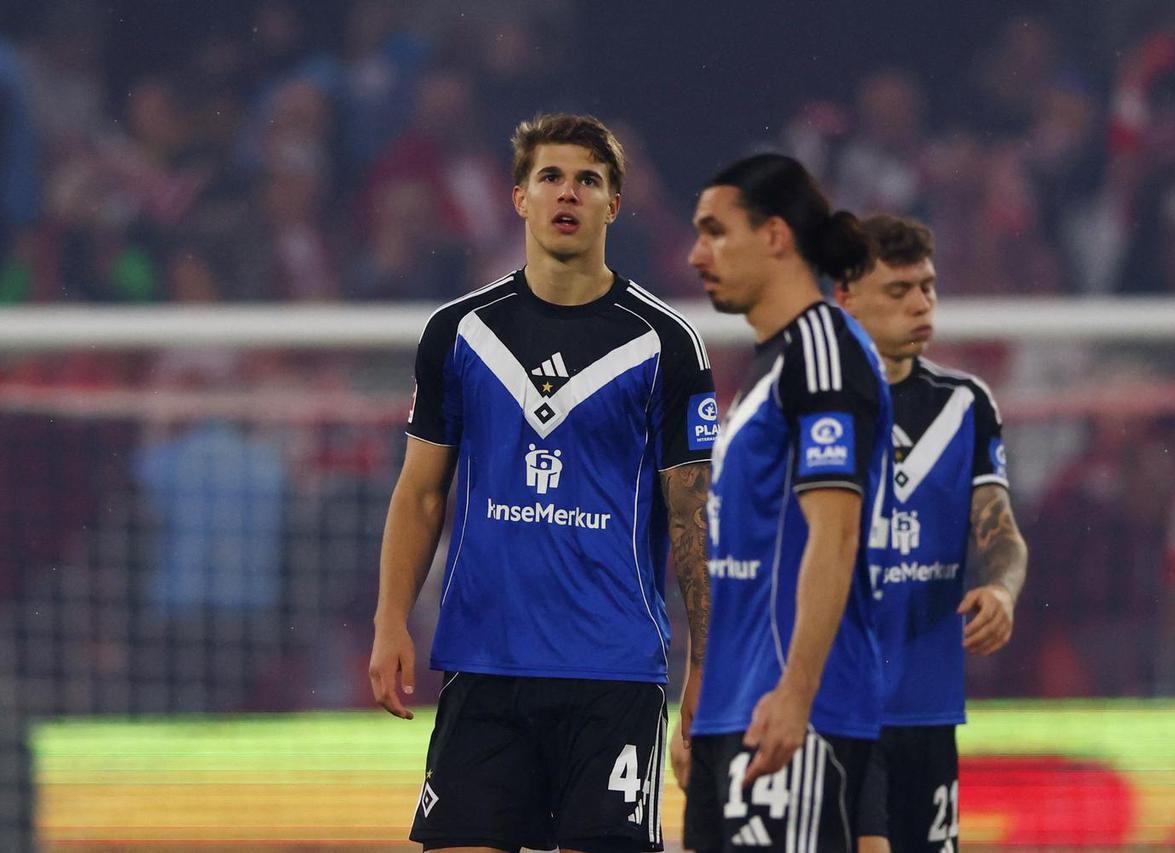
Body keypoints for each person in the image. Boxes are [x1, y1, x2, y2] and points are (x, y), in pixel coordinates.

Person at [368, 113, 715, 853]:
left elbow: (693, 518)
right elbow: (423, 491)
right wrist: (390, 618)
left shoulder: (665, 344)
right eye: (550, 176)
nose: (568, 192)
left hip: (613, 676)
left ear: (613, 205)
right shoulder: (459, 331)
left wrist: (704, 671)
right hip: (486, 667)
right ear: (519, 197)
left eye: (589, 180)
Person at [681, 153, 894, 851]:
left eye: (715, 231)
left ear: (775, 236)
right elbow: (739, 557)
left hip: (791, 712)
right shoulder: (769, 364)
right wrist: (701, 700)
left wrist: (797, 693)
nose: (695, 254)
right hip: (733, 714)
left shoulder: (824, 353)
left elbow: (835, 536)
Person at [832, 215, 1029, 853]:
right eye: (898, 290)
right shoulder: (806, 409)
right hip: (835, 707)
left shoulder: (966, 405)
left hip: (928, 707)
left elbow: (1000, 531)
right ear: (847, 298)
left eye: (929, 287)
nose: (921, 305)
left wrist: (1000, 589)